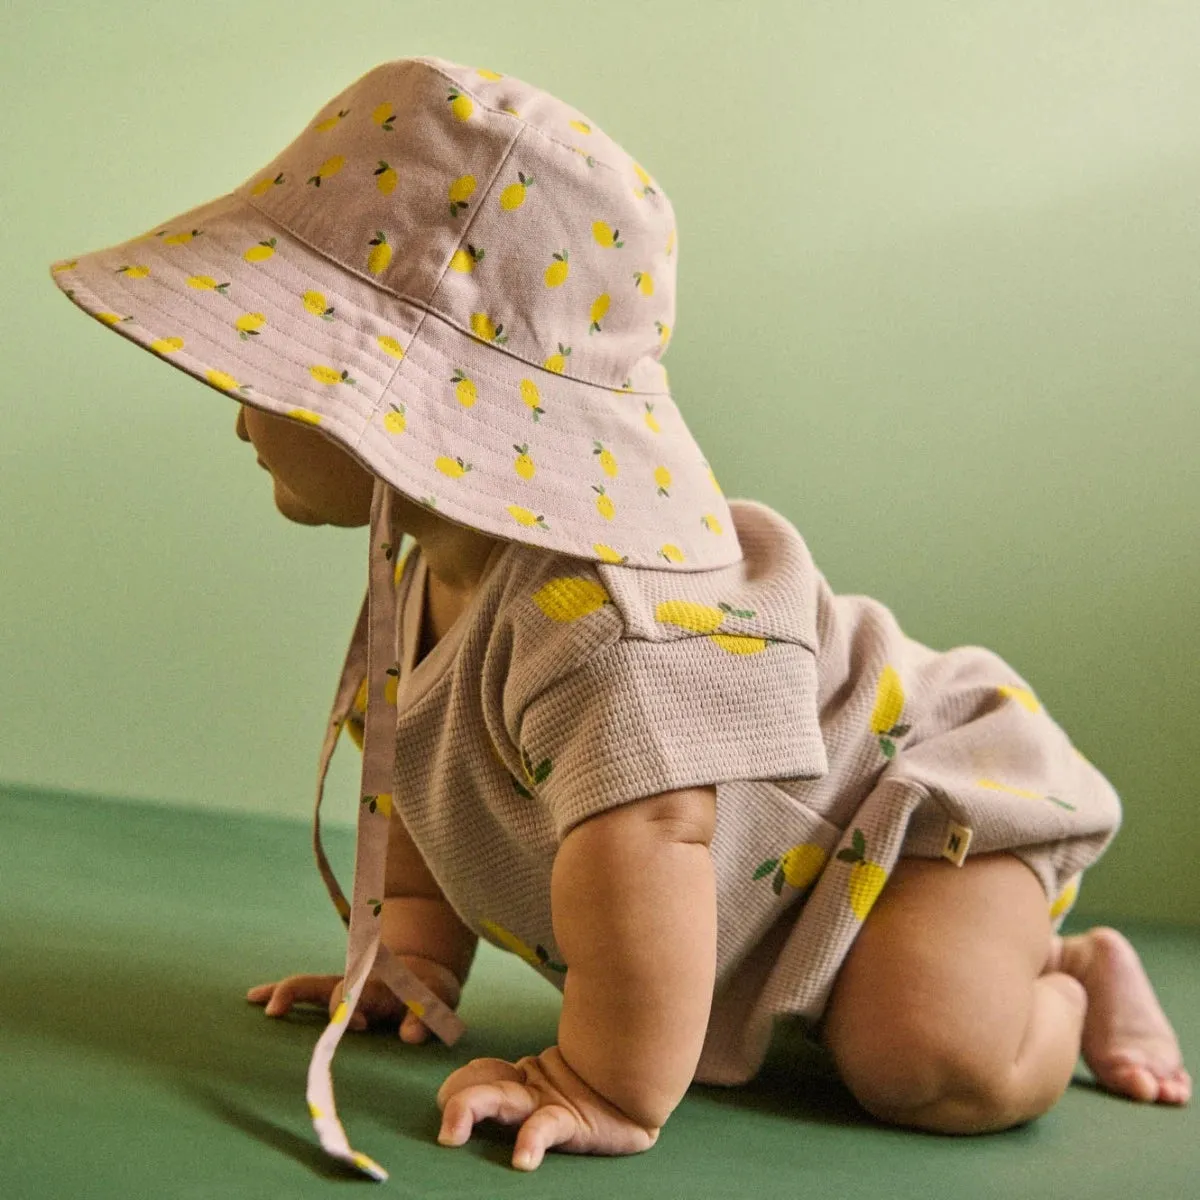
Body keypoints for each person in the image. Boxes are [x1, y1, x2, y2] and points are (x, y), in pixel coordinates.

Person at [49, 56, 1189, 1179]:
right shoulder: (431, 573)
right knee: (879, 1026)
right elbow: (437, 782)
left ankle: (1071, 974)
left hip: (918, 817)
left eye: (270, 368)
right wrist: (409, 953)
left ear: (399, 410)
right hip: (800, 879)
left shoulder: (609, 624)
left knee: (922, 1054)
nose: (238, 412)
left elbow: (650, 839)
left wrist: (603, 1081)